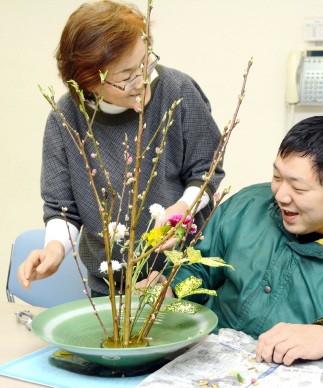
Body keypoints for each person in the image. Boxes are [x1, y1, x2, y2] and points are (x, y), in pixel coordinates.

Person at [160, 115, 323, 369]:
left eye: (299, 188)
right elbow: (199, 269)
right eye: (277, 177)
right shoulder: (246, 207)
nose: (281, 195)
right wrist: (171, 289)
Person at [17, 0, 224, 297]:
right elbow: (63, 208)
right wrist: (54, 250)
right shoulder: (66, 119)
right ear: (89, 82)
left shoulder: (177, 91)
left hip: (179, 275)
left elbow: (208, 168)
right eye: (127, 77)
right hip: (110, 286)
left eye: (145, 63)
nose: (142, 81)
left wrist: (180, 213)